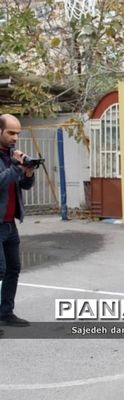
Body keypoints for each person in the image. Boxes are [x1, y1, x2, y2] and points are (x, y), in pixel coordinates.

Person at [0, 114, 35, 335]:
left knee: (13, 269)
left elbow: (23, 185)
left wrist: (28, 172)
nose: (15, 138)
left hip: (10, 224)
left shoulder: (12, 156)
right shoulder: (10, 159)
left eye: (18, 134)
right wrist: (15, 167)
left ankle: (5, 312)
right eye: (11, 133)